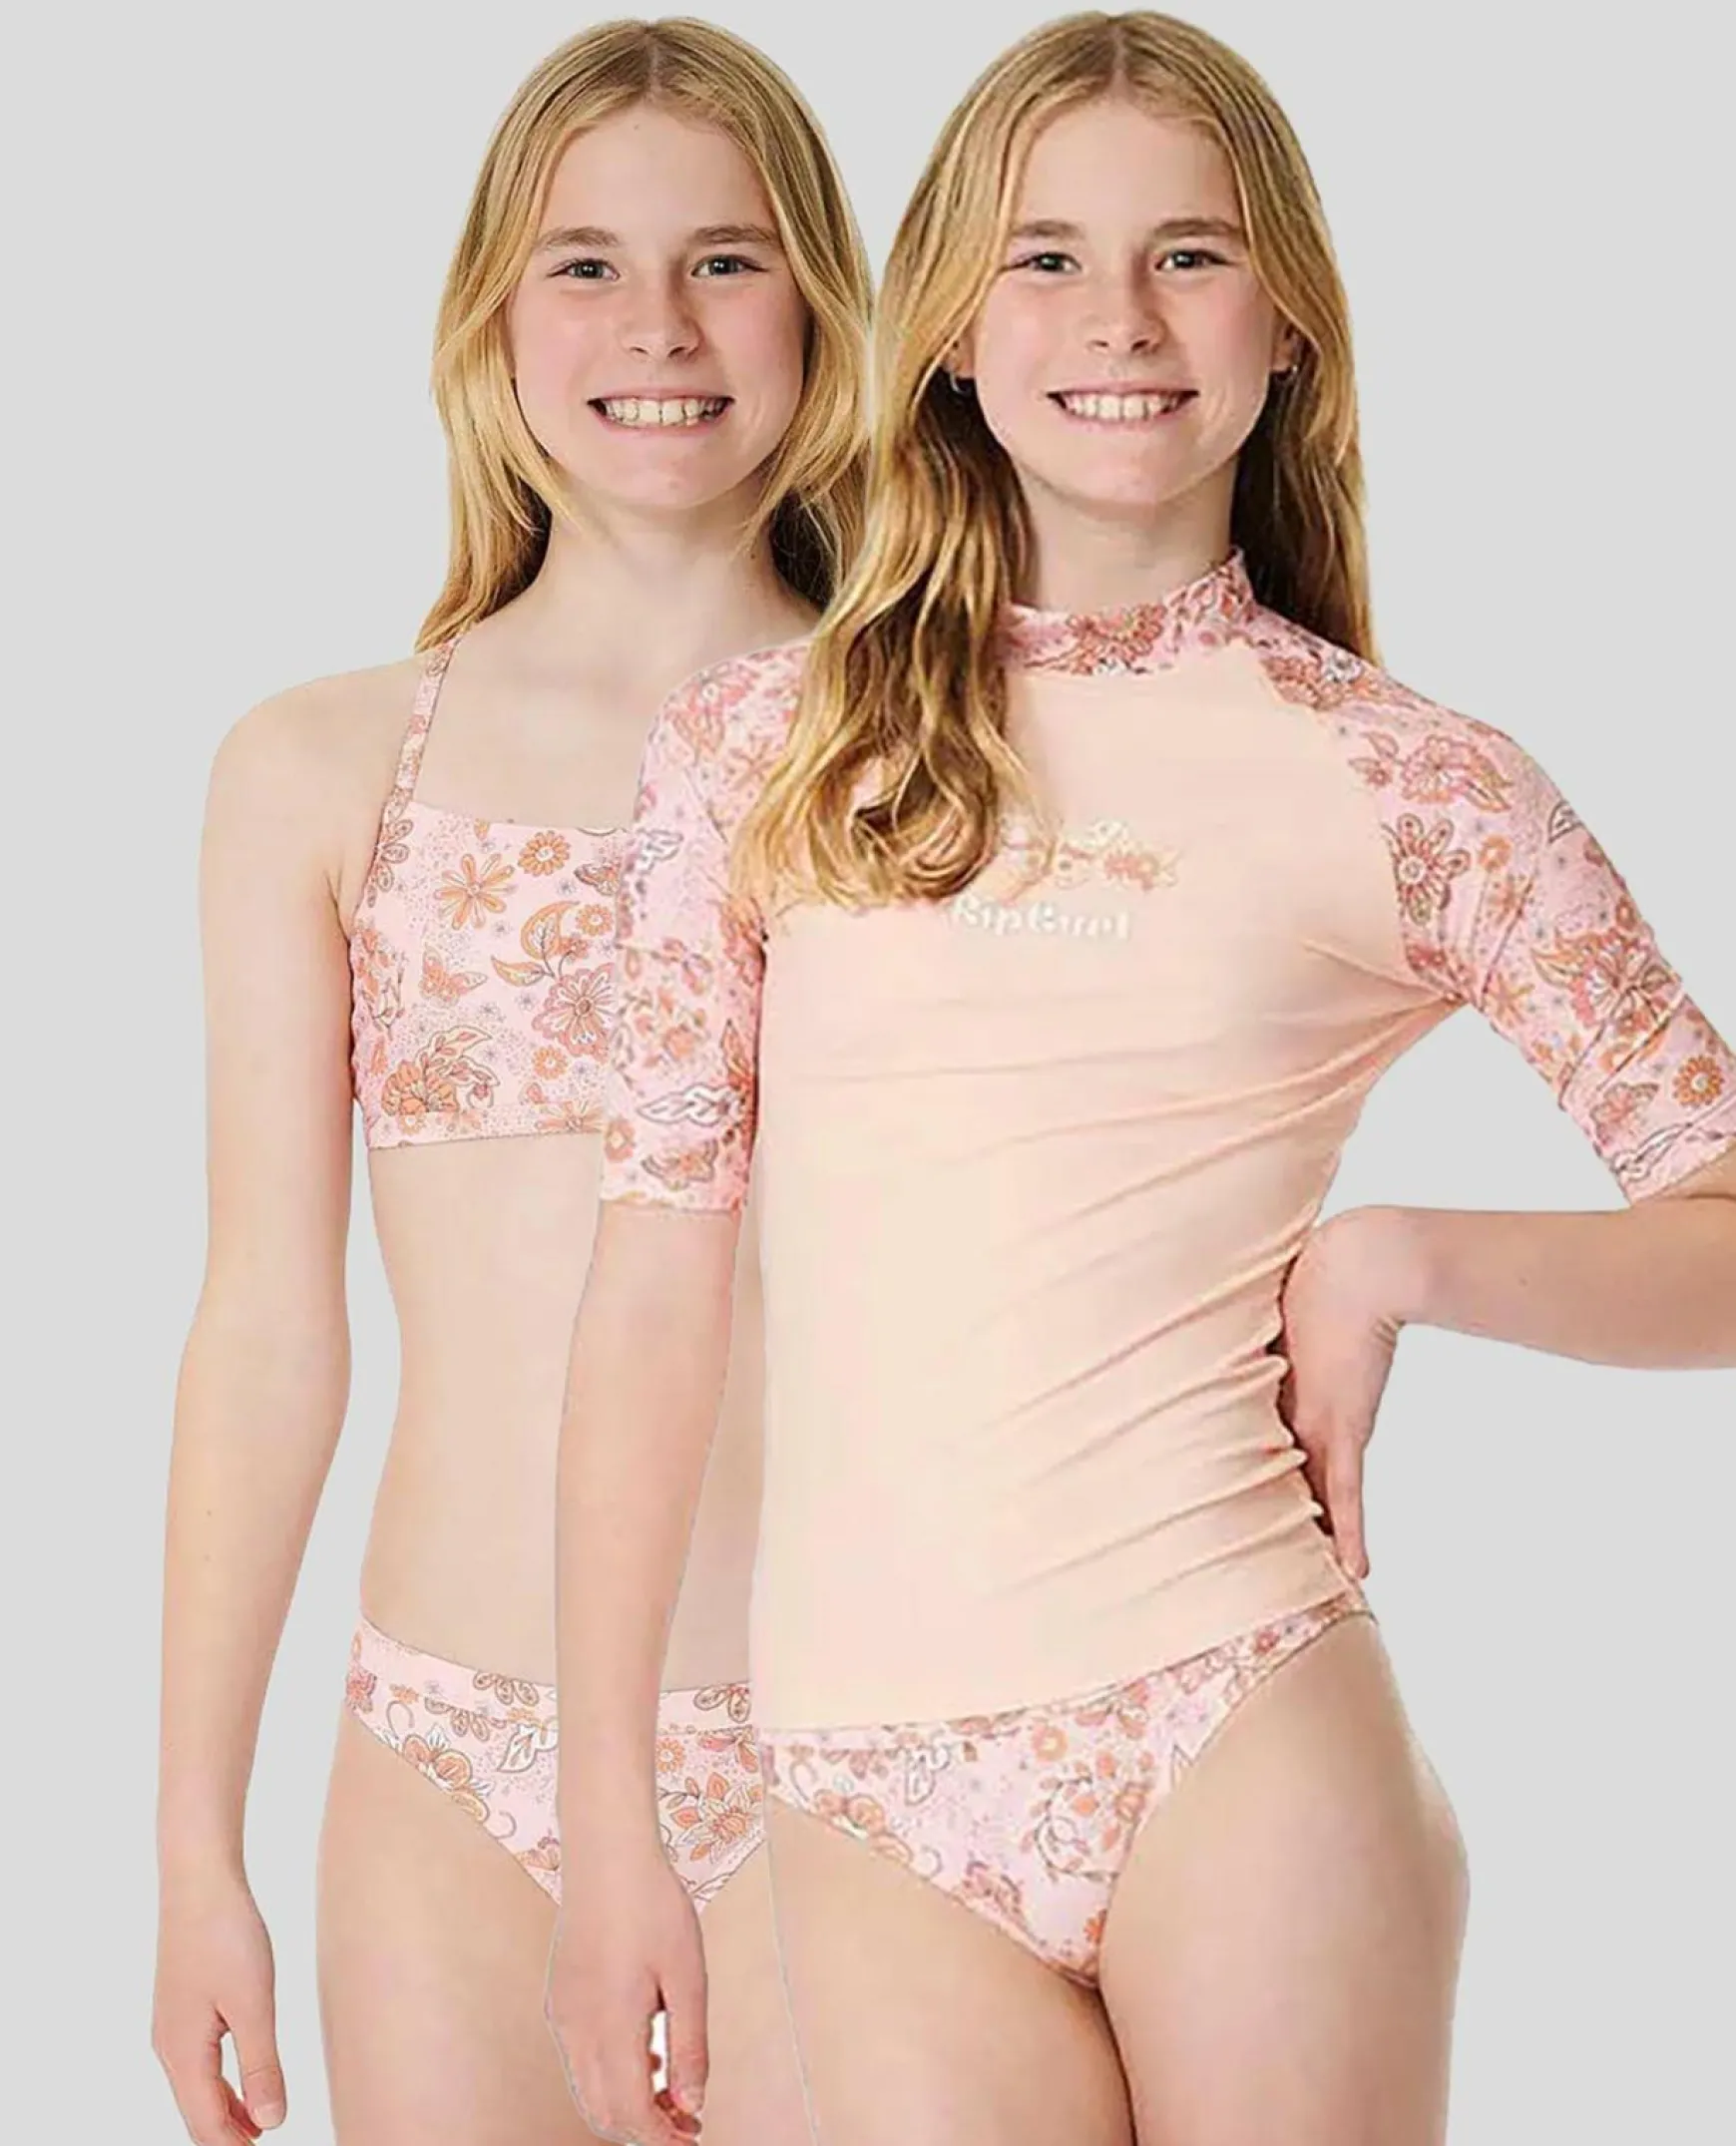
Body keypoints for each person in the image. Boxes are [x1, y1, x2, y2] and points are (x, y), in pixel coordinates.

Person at [551, 9, 1736, 2145]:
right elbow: (649, 1297)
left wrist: (1399, 1260)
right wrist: (614, 1821)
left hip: (1235, 1717)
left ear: (1290, 319)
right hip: (863, 1783)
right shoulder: (758, 753)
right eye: (1046, 257)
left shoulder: (1411, 783)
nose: (1119, 318)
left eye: (1191, 253)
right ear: (946, 327)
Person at [151, 20, 869, 2145]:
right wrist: (194, 1844)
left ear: (822, 307)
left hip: (838, 1743)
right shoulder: (316, 766)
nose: (659, 326)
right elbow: (266, 1325)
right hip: (442, 1756)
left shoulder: (923, 747)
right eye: (586, 265)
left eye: (726, 259)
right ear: (490, 317)